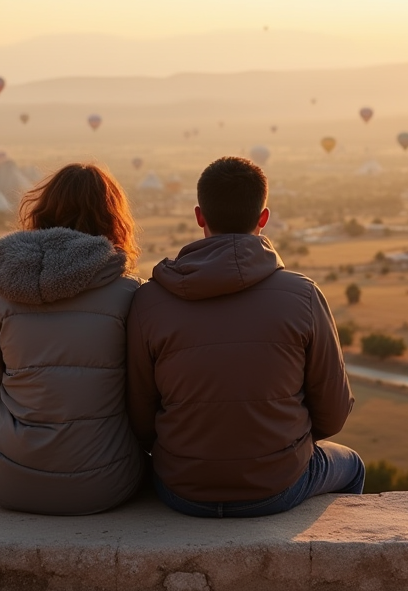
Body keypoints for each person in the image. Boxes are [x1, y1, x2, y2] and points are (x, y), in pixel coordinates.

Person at [127, 156, 361, 517]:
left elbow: (140, 419)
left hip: (181, 487)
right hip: (277, 485)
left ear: (199, 216)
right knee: (353, 465)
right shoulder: (303, 295)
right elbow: (332, 415)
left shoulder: (149, 299)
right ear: (263, 218)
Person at [0, 163, 144, 515]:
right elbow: (143, 399)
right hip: (104, 485)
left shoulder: (3, 291)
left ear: (43, 211)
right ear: (114, 220)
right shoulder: (130, 294)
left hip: (9, 480)